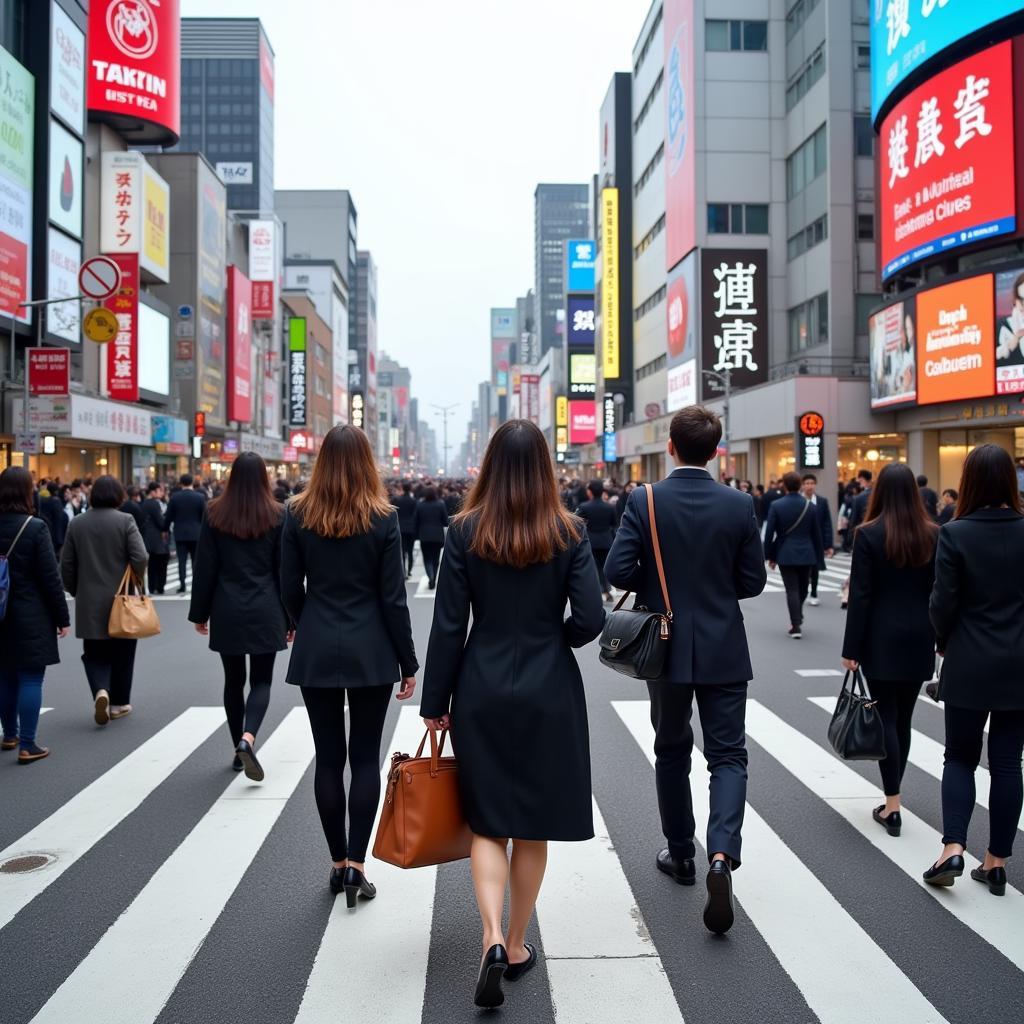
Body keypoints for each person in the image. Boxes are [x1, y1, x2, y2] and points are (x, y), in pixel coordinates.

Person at [421, 420, 604, 1007]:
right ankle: (519, 940)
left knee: (487, 820)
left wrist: (435, 703)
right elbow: (593, 618)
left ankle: (491, 938)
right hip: (550, 683)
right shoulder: (567, 530)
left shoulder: (465, 531)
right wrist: (559, 637)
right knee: (533, 826)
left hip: (482, 684)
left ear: (492, 465)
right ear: (546, 467)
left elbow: (449, 625)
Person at [606, 406, 766, 936]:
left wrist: (657, 581)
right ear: (716, 451)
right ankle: (722, 854)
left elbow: (616, 570)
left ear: (669, 447)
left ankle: (681, 854)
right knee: (728, 755)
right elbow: (752, 582)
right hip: (723, 645)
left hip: (666, 645)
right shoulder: (739, 504)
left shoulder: (645, 500)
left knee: (671, 749)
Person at [281, 425, 418, 903]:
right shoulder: (383, 518)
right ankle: (358, 865)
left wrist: (304, 620)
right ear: (367, 462)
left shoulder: (297, 513)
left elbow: (287, 586)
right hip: (372, 648)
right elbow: (393, 599)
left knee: (328, 758)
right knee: (365, 758)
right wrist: (408, 661)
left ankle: (337, 863)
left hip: (317, 643)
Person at [925, 444, 1024, 895]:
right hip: (1019, 663)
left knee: (960, 756)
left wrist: (945, 644)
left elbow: (942, 604)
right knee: (1007, 762)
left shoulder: (957, 532)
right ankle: (997, 861)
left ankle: (953, 849)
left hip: (968, 659)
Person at [841, 464, 937, 837]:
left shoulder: (869, 533)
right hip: (920, 636)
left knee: (885, 718)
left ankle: (892, 803)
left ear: (879, 491)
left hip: (880, 638)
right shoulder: (933, 533)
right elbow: (938, 592)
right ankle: (894, 799)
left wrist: (852, 648)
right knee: (903, 720)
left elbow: (861, 597)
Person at [189, 452, 291, 780]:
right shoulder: (277, 514)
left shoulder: (215, 512)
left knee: (233, 681)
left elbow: (205, 567)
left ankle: (237, 748)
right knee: (261, 680)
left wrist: (199, 613)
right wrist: (291, 617)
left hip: (227, 607)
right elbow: (284, 572)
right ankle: (249, 738)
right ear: (264, 477)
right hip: (267, 607)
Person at [61, 475, 148, 725]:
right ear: (118, 495)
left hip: (89, 599)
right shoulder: (125, 520)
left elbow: (66, 564)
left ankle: (101, 689)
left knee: (94, 652)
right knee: (123, 651)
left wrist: (75, 589)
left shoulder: (77, 524)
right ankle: (119, 703)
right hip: (121, 599)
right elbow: (140, 556)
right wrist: (135, 580)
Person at [0, 467, 71, 764]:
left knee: (4, 675)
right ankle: (28, 744)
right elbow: (49, 578)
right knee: (30, 677)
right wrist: (62, 617)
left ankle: (9, 735)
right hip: (30, 612)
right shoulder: (34, 527)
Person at [764, 471, 824, 638]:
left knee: (792, 589)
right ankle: (797, 617)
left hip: (785, 553)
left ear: (784, 485)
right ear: (800, 486)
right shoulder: (810, 506)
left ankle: (795, 624)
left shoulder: (776, 505)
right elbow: (816, 534)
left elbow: (769, 534)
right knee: (803, 587)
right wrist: (819, 556)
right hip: (807, 553)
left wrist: (769, 555)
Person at [164, 473, 206, 593]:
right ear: (192, 482)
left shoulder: (175, 497)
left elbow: (169, 516)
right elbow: (204, 516)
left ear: (181, 483)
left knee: (181, 560)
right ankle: (196, 585)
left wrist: (164, 529)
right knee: (195, 561)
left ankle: (182, 584)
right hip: (196, 533)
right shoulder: (200, 497)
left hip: (180, 533)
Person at [575, 479, 617, 602]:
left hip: (591, 540)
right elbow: (614, 524)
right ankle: (607, 589)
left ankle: (597, 590)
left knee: (592, 568)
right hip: (606, 540)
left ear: (590, 492)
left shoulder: (584, 506)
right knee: (605, 567)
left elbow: (576, 522)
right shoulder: (609, 507)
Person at [801, 474, 834, 606]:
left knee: (815, 569)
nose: (809, 486)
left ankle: (814, 593)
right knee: (803, 569)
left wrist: (829, 544)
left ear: (815, 485)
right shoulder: (799, 500)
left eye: (812, 483)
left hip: (816, 541)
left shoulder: (822, 501)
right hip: (802, 541)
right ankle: (803, 591)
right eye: (807, 483)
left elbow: (827, 523)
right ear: (803, 485)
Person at [415, 485, 449, 589]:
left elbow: (416, 520)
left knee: (427, 558)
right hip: (437, 535)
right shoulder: (440, 504)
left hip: (424, 535)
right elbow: (445, 521)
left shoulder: (420, 505)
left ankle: (431, 576)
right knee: (436, 558)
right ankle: (434, 575)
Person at [140, 482, 170, 594]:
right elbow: (161, 522)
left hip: (148, 538)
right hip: (157, 538)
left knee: (152, 564)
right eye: (160, 491)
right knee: (161, 563)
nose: (162, 493)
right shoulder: (154, 504)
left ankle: (152, 586)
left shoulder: (144, 503)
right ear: (153, 492)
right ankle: (160, 586)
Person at [391, 482, 418, 579]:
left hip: (400, 527)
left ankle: (403, 571)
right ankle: (409, 571)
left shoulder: (397, 500)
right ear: (410, 488)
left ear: (403, 488)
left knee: (401, 551)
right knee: (410, 551)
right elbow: (415, 515)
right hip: (411, 528)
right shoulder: (413, 501)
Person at [847, 469, 874, 535]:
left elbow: (854, 521)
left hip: (862, 532)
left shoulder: (859, 498)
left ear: (862, 479)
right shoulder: (879, 494)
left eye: (859, 479)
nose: (857, 481)